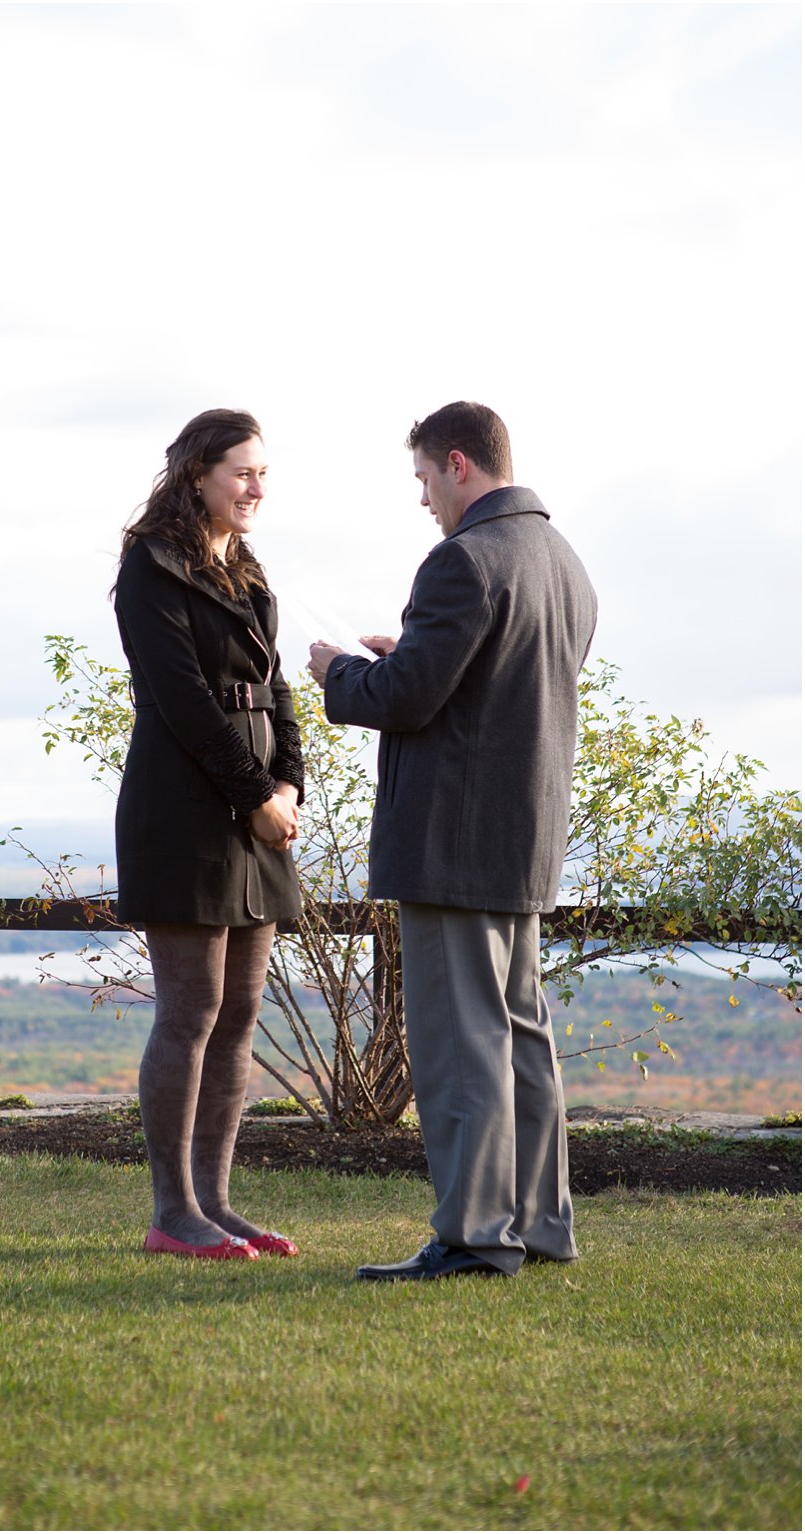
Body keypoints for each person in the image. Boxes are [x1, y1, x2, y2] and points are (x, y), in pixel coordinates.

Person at [307, 402, 596, 1281]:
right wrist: (411, 657)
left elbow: (407, 701)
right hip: (523, 842)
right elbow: (493, 686)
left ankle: (474, 1237)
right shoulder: (564, 563)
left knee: (461, 1043)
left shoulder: (462, 562)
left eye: (426, 480)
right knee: (520, 1036)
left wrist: (343, 672)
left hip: (454, 847)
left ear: (459, 464)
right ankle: (540, 1225)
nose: (425, 499)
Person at [112, 409, 305, 1261]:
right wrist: (256, 793)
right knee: (190, 1010)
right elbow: (186, 702)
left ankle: (218, 1204)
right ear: (198, 473)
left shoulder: (249, 573)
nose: (256, 487)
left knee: (240, 1011)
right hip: (184, 808)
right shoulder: (150, 567)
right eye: (242, 472)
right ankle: (173, 1213)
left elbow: (279, 690)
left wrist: (289, 783)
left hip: (257, 809)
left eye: (263, 473)